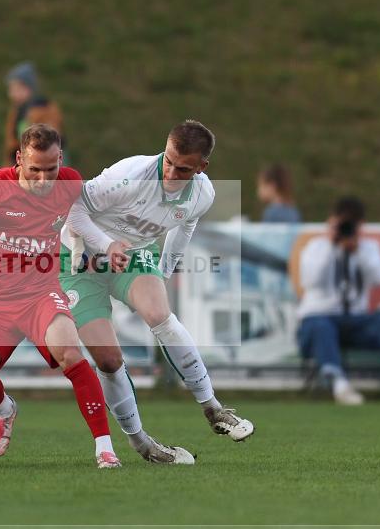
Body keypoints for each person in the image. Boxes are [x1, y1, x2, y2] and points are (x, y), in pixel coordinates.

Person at [0, 124, 121, 468]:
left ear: (61, 159)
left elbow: (97, 211)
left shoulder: (71, 182)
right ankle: (6, 409)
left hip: (41, 295)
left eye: (51, 169)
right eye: (34, 170)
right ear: (19, 159)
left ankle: (105, 448)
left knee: (71, 354)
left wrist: (94, 249)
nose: (44, 180)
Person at [59, 120, 255, 465]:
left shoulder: (202, 194)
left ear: (201, 168)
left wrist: (163, 271)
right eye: (168, 161)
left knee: (159, 316)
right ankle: (144, 446)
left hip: (132, 255)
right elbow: (74, 209)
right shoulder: (130, 174)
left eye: (182, 169)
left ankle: (213, 408)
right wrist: (105, 245)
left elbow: (185, 225)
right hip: (78, 258)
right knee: (108, 359)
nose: (171, 173)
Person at [296, 196, 380, 405]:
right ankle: (339, 385)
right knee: (321, 327)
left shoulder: (368, 248)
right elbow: (310, 281)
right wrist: (332, 245)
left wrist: (358, 252)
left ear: (361, 225)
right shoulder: (316, 246)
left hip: (357, 319)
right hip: (319, 316)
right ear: (331, 221)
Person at [3, 62, 64, 165]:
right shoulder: (17, 111)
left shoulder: (43, 108)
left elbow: (50, 140)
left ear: (28, 88)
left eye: (16, 89)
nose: (11, 94)